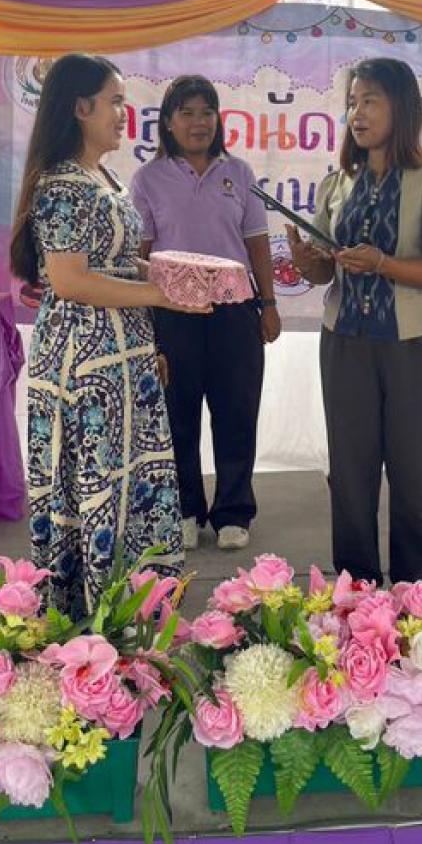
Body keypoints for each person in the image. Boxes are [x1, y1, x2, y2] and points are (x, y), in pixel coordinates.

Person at [10, 54, 203, 618]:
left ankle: (132, 611)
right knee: (95, 483)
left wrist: (170, 278)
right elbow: (70, 280)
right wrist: (161, 295)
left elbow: (114, 263)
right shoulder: (61, 185)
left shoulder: (105, 177)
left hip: (124, 358)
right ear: (80, 107)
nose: (125, 113)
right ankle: (91, 617)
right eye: (115, 102)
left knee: (129, 481)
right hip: (84, 365)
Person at [288, 57, 422, 586]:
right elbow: (325, 271)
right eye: (352, 103)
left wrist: (382, 263)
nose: (357, 114)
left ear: (402, 107)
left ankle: (415, 596)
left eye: (370, 101)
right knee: (349, 477)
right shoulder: (337, 184)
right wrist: (307, 261)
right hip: (344, 343)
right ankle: (356, 592)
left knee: (412, 478)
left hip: (416, 348)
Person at [130, 75, 281, 553]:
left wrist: (268, 304)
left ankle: (234, 512)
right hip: (172, 313)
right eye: (187, 113)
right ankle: (185, 511)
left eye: (207, 112)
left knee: (236, 412)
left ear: (218, 119)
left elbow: (257, 243)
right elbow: (140, 252)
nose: (199, 122)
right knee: (176, 414)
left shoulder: (239, 172)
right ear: (168, 123)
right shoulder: (148, 179)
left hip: (235, 312)